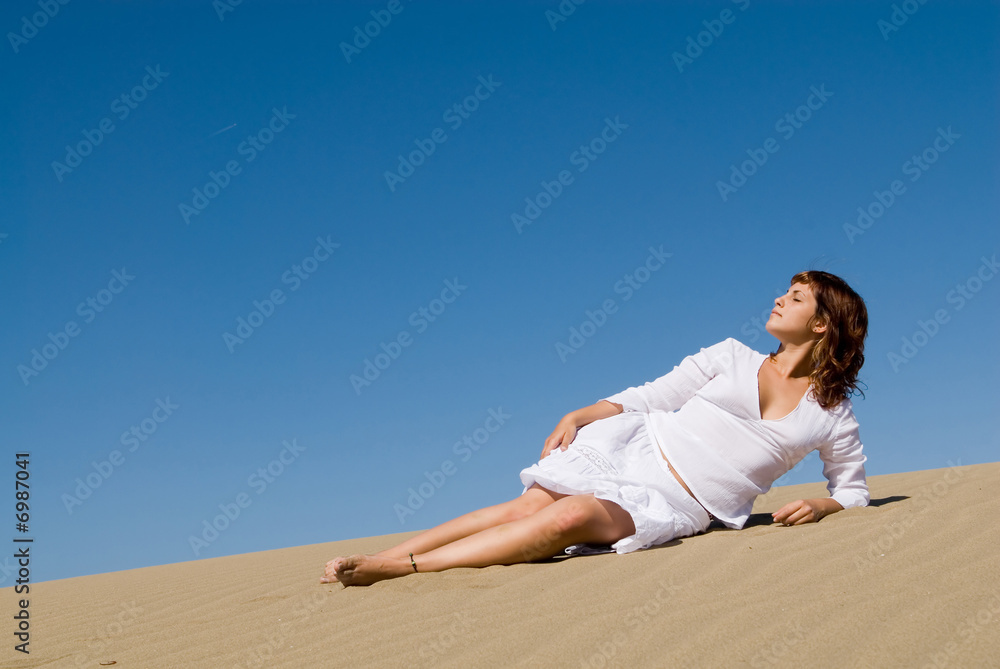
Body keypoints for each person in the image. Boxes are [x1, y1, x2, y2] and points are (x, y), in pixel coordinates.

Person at [322, 270, 870, 587]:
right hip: (633, 451)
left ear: (821, 323)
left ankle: (405, 570)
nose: (778, 298)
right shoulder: (729, 355)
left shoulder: (831, 415)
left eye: (795, 297)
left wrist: (826, 505)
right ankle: (391, 557)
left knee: (570, 514)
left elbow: (852, 489)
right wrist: (583, 413)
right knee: (527, 505)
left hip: (680, 506)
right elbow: (653, 395)